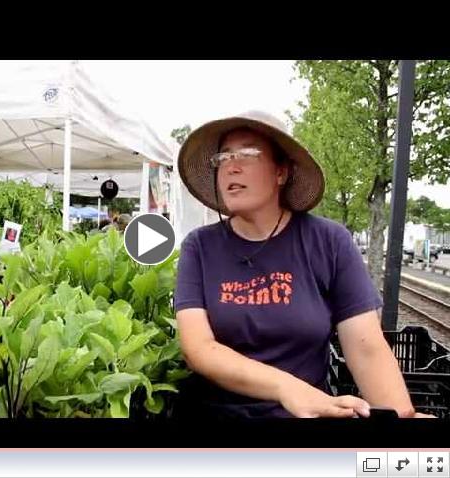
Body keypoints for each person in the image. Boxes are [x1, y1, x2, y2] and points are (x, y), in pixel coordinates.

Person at [174, 110, 434, 419]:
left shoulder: (328, 242)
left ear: (280, 172)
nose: (231, 166)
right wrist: (287, 388)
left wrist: (402, 415)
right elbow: (198, 349)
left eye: (247, 153)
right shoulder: (199, 247)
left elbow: (366, 347)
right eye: (223, 158)